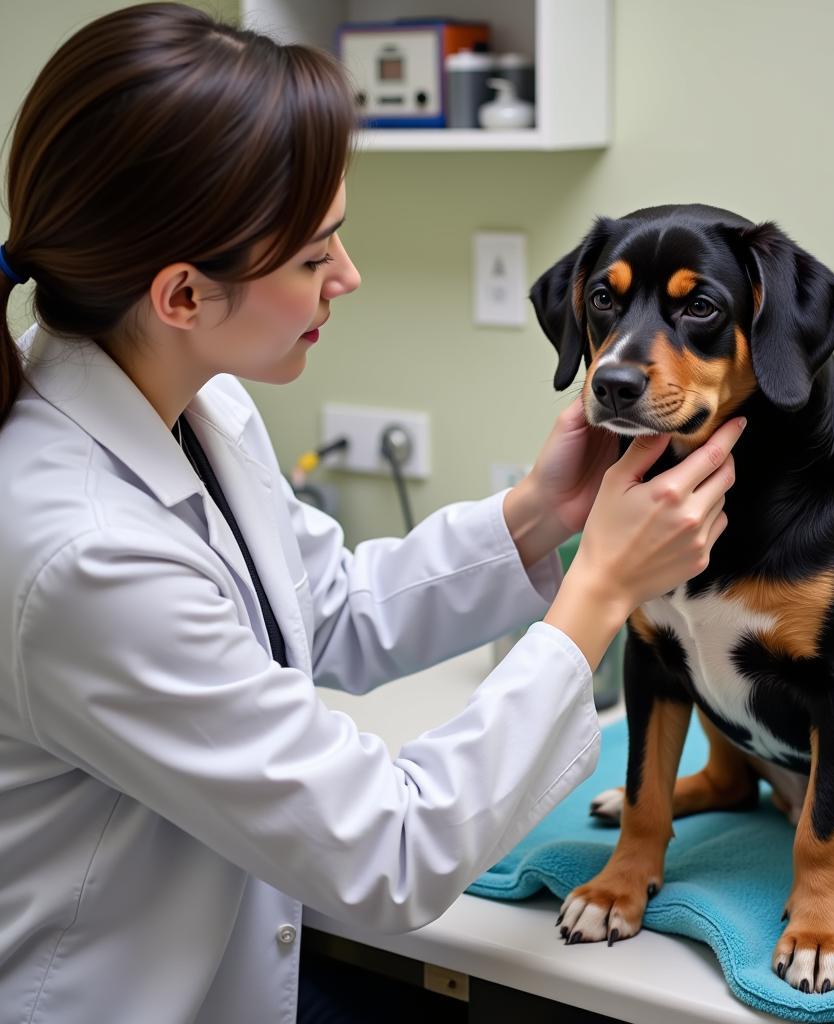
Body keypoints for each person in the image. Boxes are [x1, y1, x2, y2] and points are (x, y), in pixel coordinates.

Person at [0, 5, 742, 1022]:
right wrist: (598, 591)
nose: (347, 277)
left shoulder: (199, 401)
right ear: (180, 295)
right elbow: (388, 850)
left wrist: (537, 513)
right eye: (314, 257)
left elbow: (329, 606)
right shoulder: (81, 553)